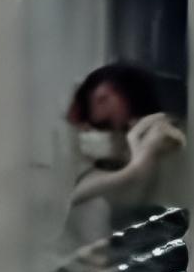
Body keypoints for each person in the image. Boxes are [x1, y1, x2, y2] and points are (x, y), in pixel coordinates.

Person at [66, 61, 186, 216]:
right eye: (103, 125)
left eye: (106, 126)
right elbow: (79, 194)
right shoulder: (90, 180)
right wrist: (139, 160)